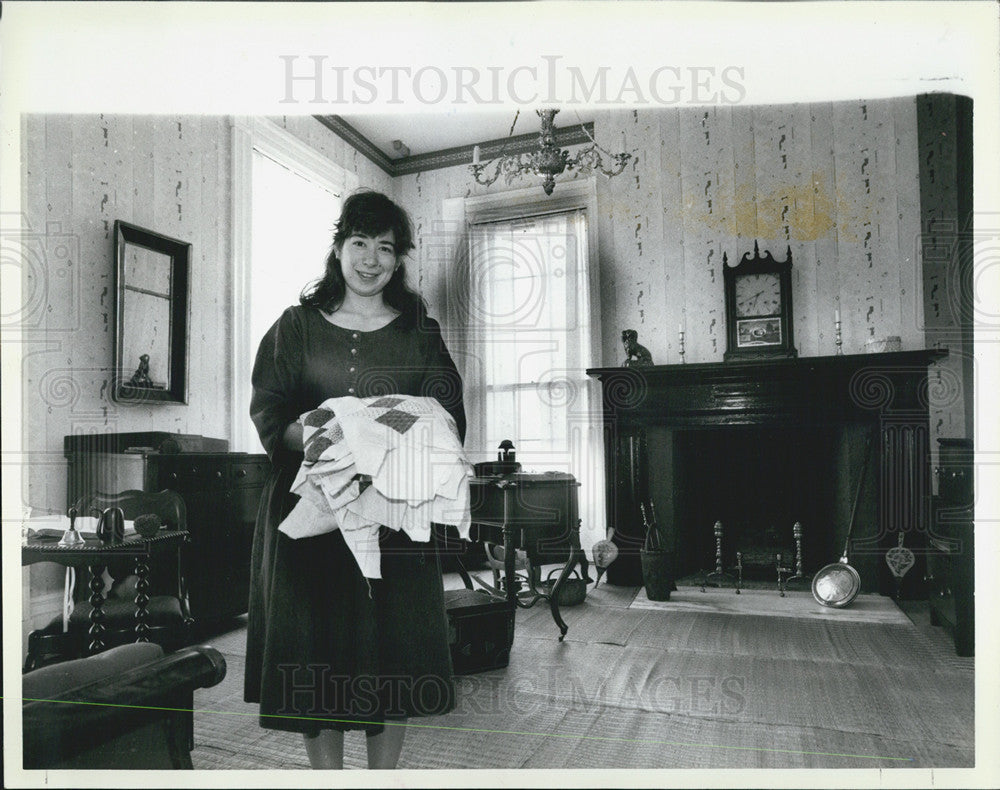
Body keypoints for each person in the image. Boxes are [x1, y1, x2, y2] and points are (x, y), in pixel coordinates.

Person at [244, 190, 466, 769]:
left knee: (390, 656)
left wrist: (377, 435)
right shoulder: (295, 327)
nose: (370, 259)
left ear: (400, 259)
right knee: (315, 656)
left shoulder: (420, 330)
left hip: (394, 513)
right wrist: (330, 438)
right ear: (338, 248)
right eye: (359, 243)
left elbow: (447, 413)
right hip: (309, 512)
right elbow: (270, 411)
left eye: (385, 248)